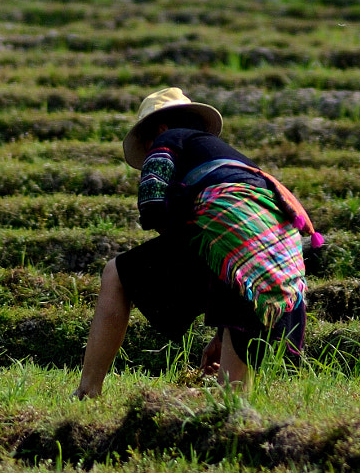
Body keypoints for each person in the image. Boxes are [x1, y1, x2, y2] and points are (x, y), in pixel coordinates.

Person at [75, 86, 318, 399]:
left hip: (233, 227)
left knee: (116, 274)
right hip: (279, 244)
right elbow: (228, 256)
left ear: (159, 130)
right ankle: (229, 401)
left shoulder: (167, 140)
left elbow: (151, 206)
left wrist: (162, 222)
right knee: (231, 384)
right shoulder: (231, 160)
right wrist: (219, 332)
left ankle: (87, 391)